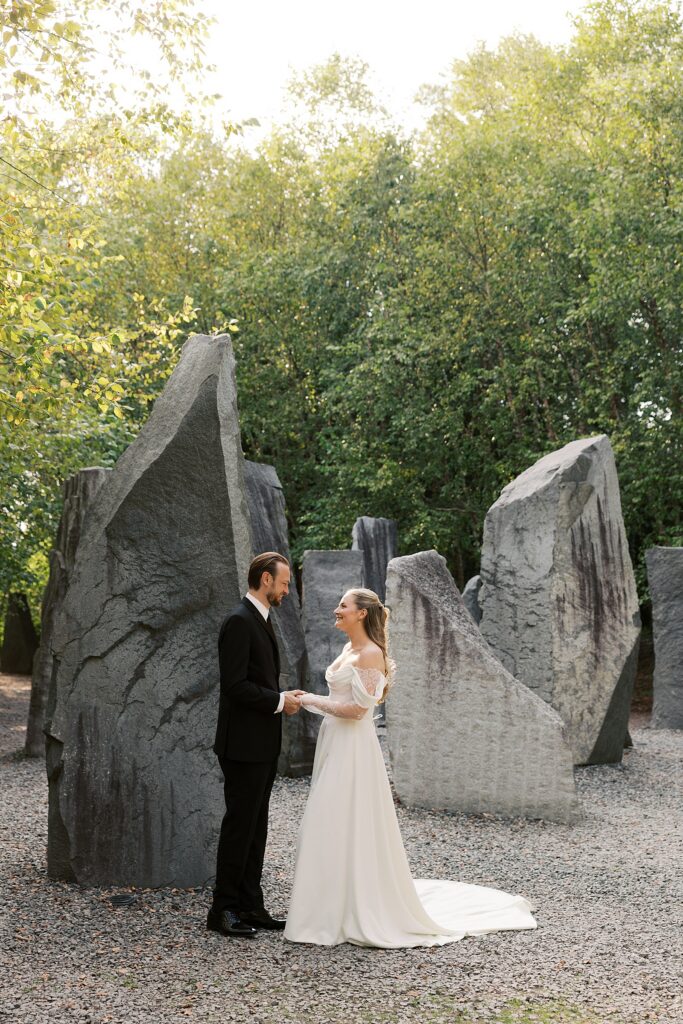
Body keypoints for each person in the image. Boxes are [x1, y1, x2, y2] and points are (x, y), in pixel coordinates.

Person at [284, 587, 537, 948]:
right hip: (335, 742)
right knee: (330, 819)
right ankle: (328, 905)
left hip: (353, 746)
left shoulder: (370, 654)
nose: (336, 610)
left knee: (341, 815)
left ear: (360, 614)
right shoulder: (347, 650)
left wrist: (307, 700)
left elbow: (358, 710)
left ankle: (350, 908)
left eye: (343, 605)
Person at [208, 551, 304, 938]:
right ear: (266, 579)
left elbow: (256, 681)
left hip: (260, 744)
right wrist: (280, 701)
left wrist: (282, 695)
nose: (285, 590)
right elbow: (234, 686)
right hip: (242, 747)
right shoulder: (238, 621)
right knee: (239, 827)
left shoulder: (260, 620)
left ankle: (251, 904)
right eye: (283, 583)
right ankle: (224, 909)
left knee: (256, 827)